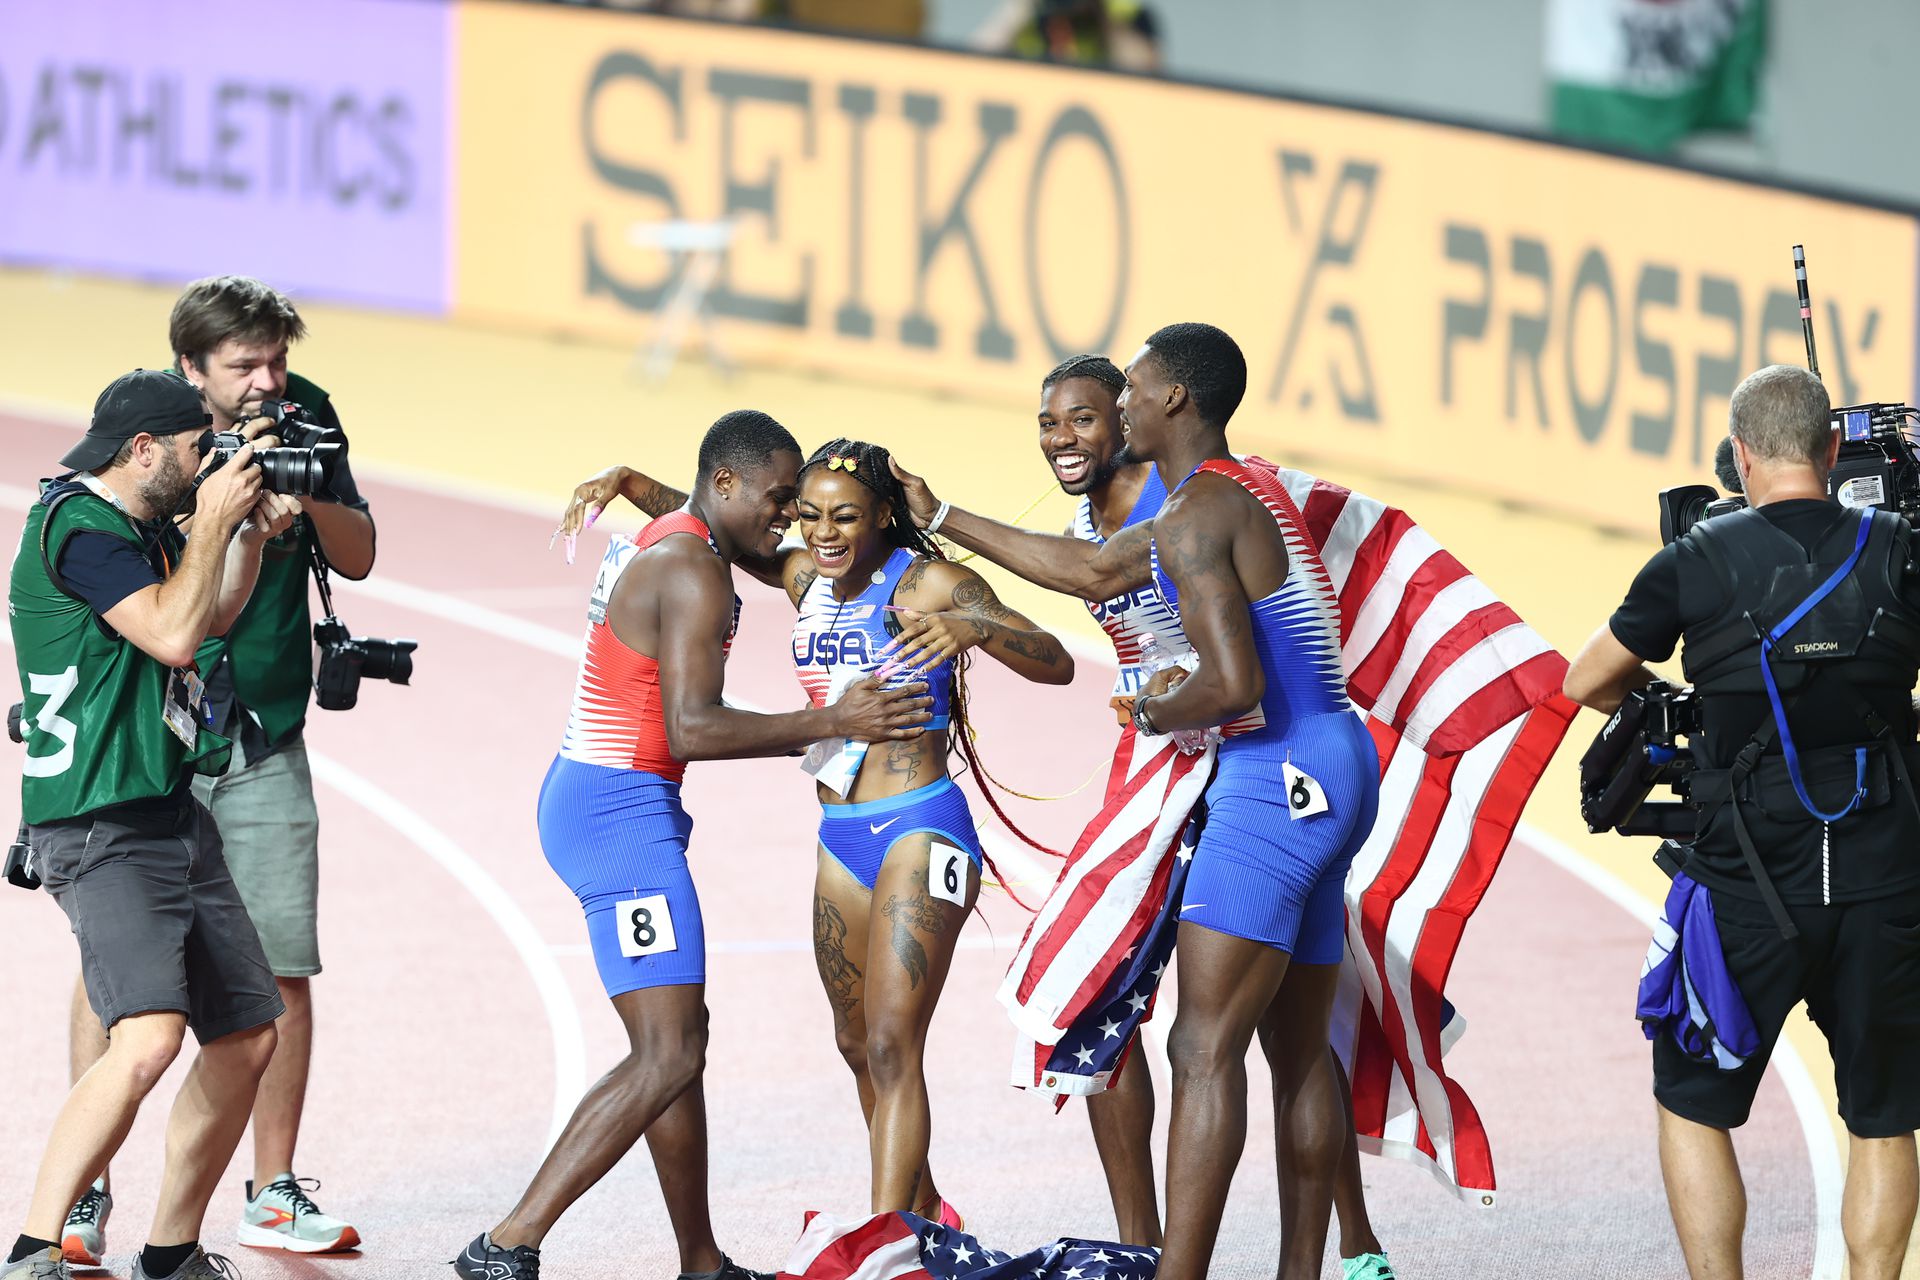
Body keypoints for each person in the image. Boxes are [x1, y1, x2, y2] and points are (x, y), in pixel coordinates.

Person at [887, 322, 1381, 1280]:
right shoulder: (1240, 487)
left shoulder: (1194, 514)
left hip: (1269, 772)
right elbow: (1096, 572)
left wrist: (1155, 705)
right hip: (1337, 759)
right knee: (1295, 1043)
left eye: (1130, 393)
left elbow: (1233, 687)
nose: (1117, 409)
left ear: (1173, 404)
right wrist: (942, 510)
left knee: (1202, 1047)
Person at [454, 412, 933, 1280]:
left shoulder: (676, 534)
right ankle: (506, 1243)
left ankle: (702, 1264)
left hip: (604, 800)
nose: (788, 521)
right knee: (667, 1053)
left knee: (677, 1042)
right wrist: (835, 720)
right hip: (620, 820)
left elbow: (712, 528)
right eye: (781, 500)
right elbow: (693, 726)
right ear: (726, 485)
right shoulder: (692, 572)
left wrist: (638, 482)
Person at [557, 437, 1074, 1219]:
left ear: (882, 518)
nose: (824, 534)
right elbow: (716, 525)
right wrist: (631, 481)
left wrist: (978, 629)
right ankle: (926, 1214)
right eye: (810, 516)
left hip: (921, 826)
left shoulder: (932, 582)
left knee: (897, 1046)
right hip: (843, 836)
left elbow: (1055, 660)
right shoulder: (810, 580)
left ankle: (884, 1239)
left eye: (845, 518)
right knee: (858, 1045)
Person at [1565, 364, 1920, 1280]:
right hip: (1888, 874)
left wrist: (1675, 697)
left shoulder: (1696, 558)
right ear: (1834, 451)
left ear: (1740, 455)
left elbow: (1585, 680)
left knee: (1693, 1099)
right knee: (1883, 1113)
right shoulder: (1900, 548)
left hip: (1745, 879)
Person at [58, 277, 377, 1266]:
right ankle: (85, 1191)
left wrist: (309, 492)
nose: (266, 381)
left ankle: (271, 1189)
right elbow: (134, 589)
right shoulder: (152, 437)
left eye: (276, 359)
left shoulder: (307, 413)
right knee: (115, 973)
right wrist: (222, 510)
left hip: (264, 733)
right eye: (244, 365)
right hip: (157, 747)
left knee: (284, 966)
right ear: (190, 369)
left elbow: (360, 555)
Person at [5, 369, 301, 1280]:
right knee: (148, 1036)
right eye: (192, 449)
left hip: (166, 813)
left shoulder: (134, 530)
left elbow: (207, 616)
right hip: (98, 825)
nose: (205, 460)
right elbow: (174, 638)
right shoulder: (79, 532)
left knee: (249, 1033)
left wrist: (243, 534)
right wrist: (212, 520)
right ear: (142, 451)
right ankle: (31, 1246)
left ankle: (170, 1252)